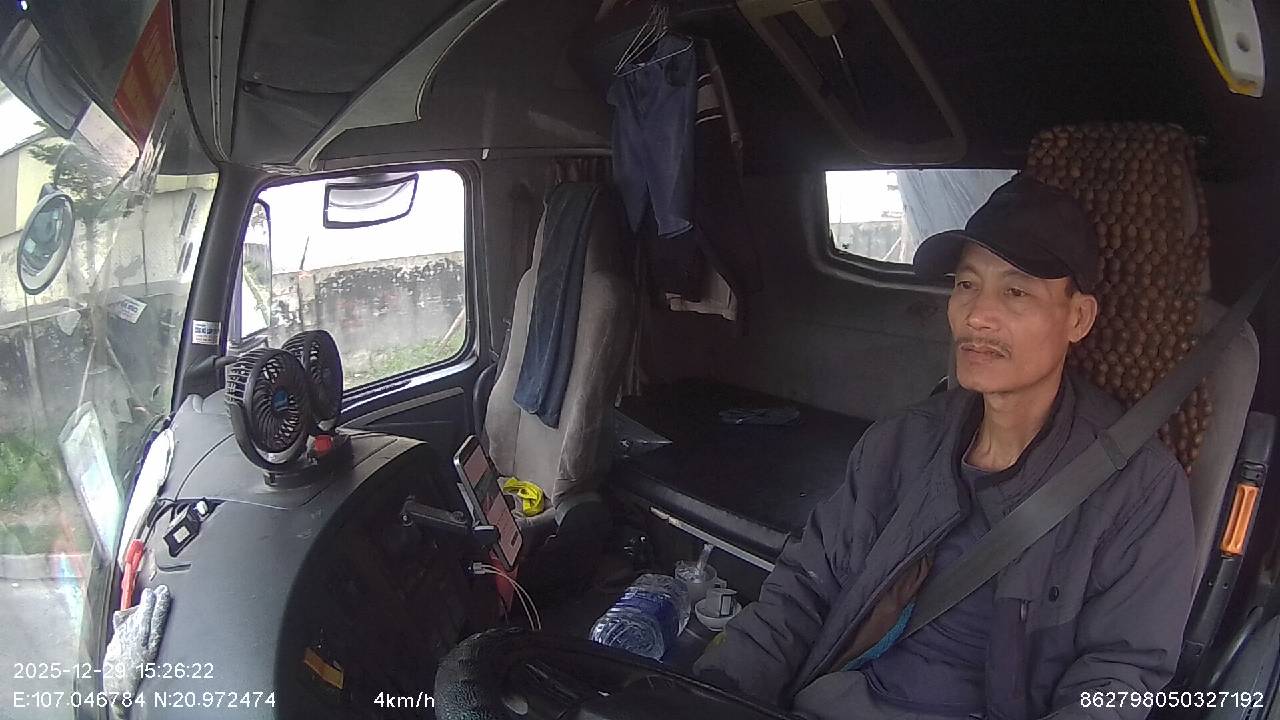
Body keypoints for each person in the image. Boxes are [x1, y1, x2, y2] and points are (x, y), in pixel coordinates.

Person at [693, 175, 1196, 720]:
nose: (976, 315)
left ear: (1078, 318)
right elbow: (803, 591)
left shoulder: (1138, 489)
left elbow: (1119, 680)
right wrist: (708, 697)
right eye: (966, 285)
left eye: (1016, 292)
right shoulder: (901, 442)